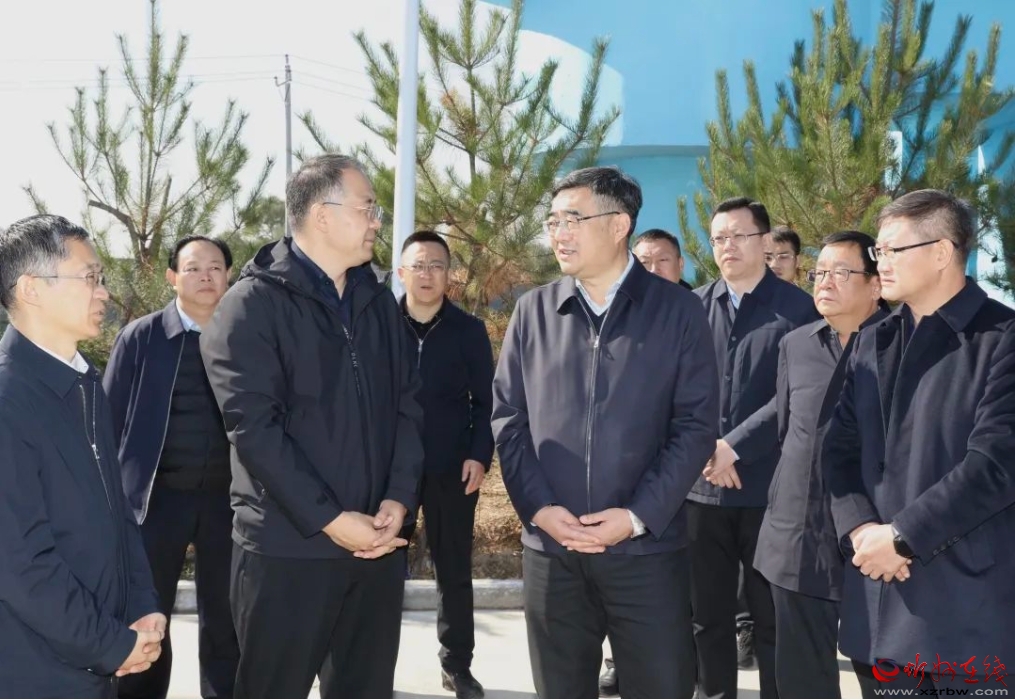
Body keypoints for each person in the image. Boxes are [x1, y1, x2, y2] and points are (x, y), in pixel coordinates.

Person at [200, 154, 424, 698]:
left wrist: (398, 498)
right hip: (288, 549)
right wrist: (330, 519)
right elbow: (255, 431)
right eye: (367, 208)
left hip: (376, 545)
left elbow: (408, 406)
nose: (377, 222)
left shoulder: (377, 302)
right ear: (322, 215)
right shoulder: (251, 306)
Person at [493, 166, 719, 699]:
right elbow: (508, 419)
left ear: (619, 225)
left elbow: (694, 426)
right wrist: (540, 509)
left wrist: (636, 517)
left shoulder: (678, 311)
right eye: (552, 221)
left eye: (572, 219)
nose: (558, 234)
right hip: (553, 550)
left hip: (646, 552)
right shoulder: (533, 311)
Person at [823, 190, 1015, 697]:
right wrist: (861, 530)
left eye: (893, 250)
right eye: (878, 251)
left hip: (969, 612)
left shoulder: (1002, 339)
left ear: (942, 252)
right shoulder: (873, 339)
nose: (880, 262)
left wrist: (902, 537)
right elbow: (838, 449)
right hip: (879, 608)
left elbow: (996, 464)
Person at [0, 215, 164, 697]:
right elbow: (21, 563)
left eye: (101, 277)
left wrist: (141, 603)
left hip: (98, 657)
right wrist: (109, 644)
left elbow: (118, 514)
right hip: (36, 668)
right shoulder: (8, 400)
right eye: (89, 277)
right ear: (31, 289)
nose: (103, 292)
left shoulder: (85, 385)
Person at [747, 231, 888, 698]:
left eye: (841, 272)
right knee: (802, 681)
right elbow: (787, 430)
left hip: (874, 541)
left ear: (876, 284)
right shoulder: (796, 345)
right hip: (798, 537)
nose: (824, 282)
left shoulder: (901, 347)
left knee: (884, 677)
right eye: (819, 271)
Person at [690, 197, 818, 698]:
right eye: (718, 238)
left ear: (765, 242)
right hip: (701, 490)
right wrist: (711, 450)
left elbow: (798, 395)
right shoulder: (692, 308)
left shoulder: (799, 310)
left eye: (738, 235)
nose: (727, 246)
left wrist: (735, 447)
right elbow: (675, 390)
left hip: (770, 490)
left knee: (772, 619)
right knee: (708, 617)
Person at [104, 236, 238, 699]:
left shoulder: (244, 336)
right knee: (147, 612)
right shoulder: (141, 337)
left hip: (228, 501)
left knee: (226, 614)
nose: (205, 276)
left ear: (228, 276)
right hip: (153, 501)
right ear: (172, 277)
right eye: (193, 267)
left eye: (215, 267)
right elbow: (109, 419)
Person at [396, 230, 494, 699]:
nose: (427, 274)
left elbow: (487, 402)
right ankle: (368, 663)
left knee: (453, 570)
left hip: (451, 467)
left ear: (449, 274)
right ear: (401, 272)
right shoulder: (379, 325)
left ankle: (457, 665)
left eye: (436, 265)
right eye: (418, 265)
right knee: (375, 574)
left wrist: (478, 454)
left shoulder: (468, 330)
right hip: (389, 470)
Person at [598, 225, 694, 697]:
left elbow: (695, 416)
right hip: (615, 498)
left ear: (681, 266)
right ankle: (617, 657)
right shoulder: (612, 313)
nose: (653, 270)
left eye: (663, 261)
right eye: (646, 261)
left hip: (679, 485)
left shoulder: (688, 313)